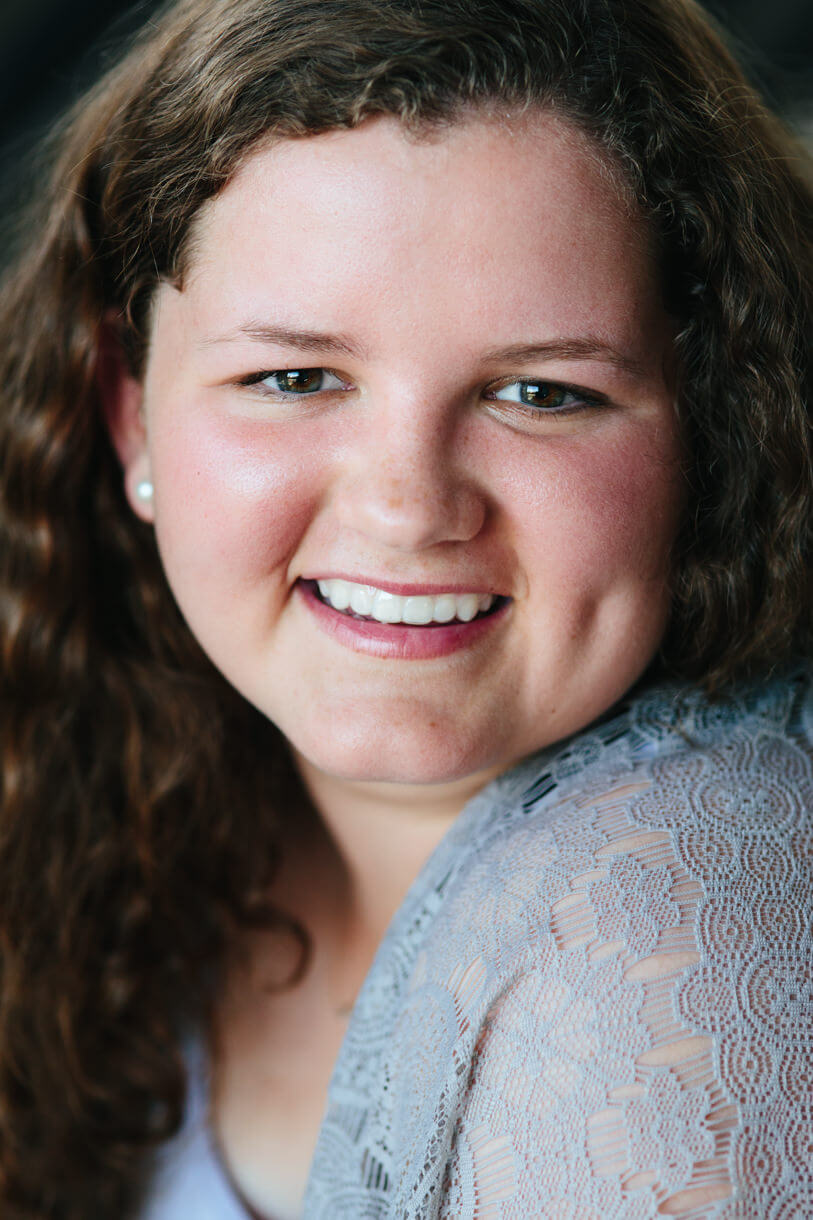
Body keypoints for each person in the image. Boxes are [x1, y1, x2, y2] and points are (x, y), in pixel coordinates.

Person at [1, 0, 811, 1216]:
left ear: (712, 427)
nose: (408, 506)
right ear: (130, 412)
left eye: (541, 391)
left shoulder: (690, 940)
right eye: (293, 377)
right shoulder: (80, 776)